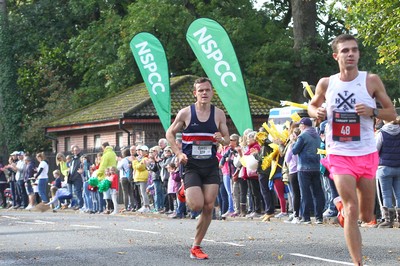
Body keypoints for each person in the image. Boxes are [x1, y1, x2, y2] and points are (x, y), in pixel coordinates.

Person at [308, 34, 397, 265]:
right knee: (351, 209)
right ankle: (358, 262)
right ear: (336, 55)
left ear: (358, 54)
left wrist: (373, 111)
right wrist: (315, 113)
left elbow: (392, 113)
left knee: (367, 216)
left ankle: (341, 208)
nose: (350, 54)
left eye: (354, 50)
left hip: (366, 152)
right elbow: (313, 105)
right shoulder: (326, 83)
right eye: (345, 50)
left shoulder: (371, 81)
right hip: (339, 152)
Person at [166, 77, 230, 260]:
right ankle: (183, 190)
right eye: (200, 90)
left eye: (207, 90)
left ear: (212, 92)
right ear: (195, 93)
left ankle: (196, 246)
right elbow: (169, 133)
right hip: (191, 165)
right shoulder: (186, 113)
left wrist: (221, 139)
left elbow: (227, 139)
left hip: (210, 165)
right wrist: (178, 153)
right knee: (196, 206)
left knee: (209, 206)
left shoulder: (218, 114)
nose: (204, 93)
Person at [292, 117, 325, 224]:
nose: (299, 127)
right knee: (317, 192)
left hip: (304, 168)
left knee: (305, 193)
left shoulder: (302, 136)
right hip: (316, 167)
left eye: (300, 125)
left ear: (303, 126)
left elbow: (295, 151)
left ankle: (306, 217)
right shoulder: (317, 135)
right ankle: (319, 217)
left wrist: (293, 142)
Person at [375, 116, 400, 228]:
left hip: (384, 167)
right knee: (399, 194)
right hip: (398, 167)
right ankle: (399, 219)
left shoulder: (382, 133)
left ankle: (388, 220)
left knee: (386, 194)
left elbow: (376, 149)